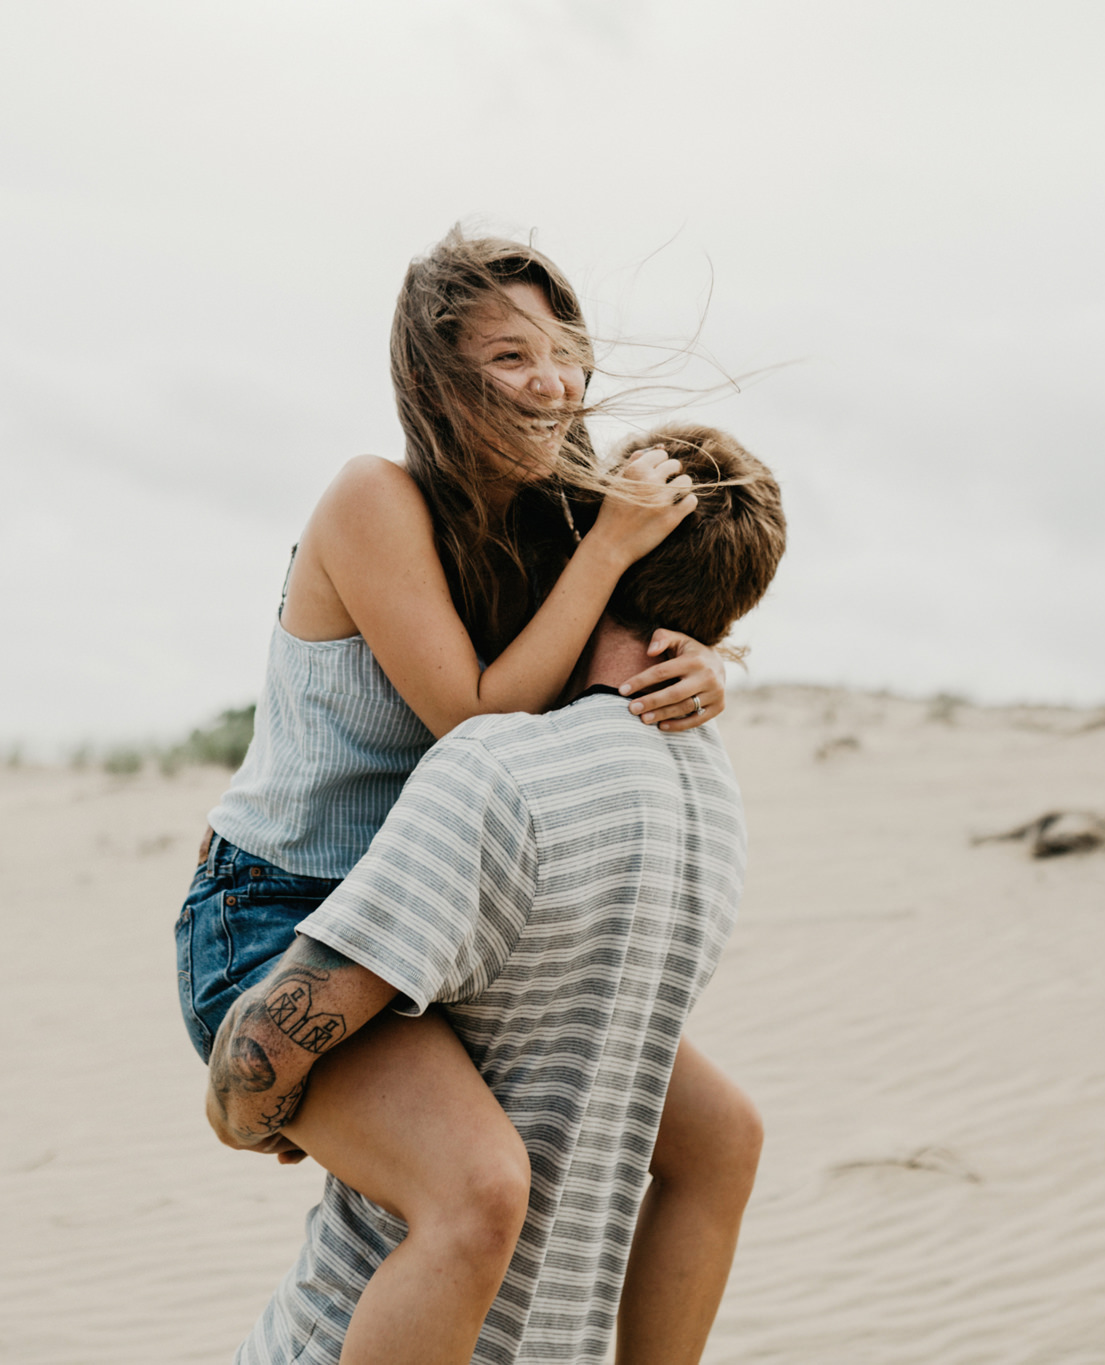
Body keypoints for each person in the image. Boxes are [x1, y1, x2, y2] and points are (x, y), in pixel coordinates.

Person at [176, 232, 761, 1362]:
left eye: (565, 355)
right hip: (278, 923)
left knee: (721, 1140)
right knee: (478, 1191)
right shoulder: (372, 500)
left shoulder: (557, 523)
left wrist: (695, 666)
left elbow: (591, 672)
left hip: (445, 924)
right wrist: (605, 552)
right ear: (437, 382)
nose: (552, 383)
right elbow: (474, 718)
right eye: (509, 357)